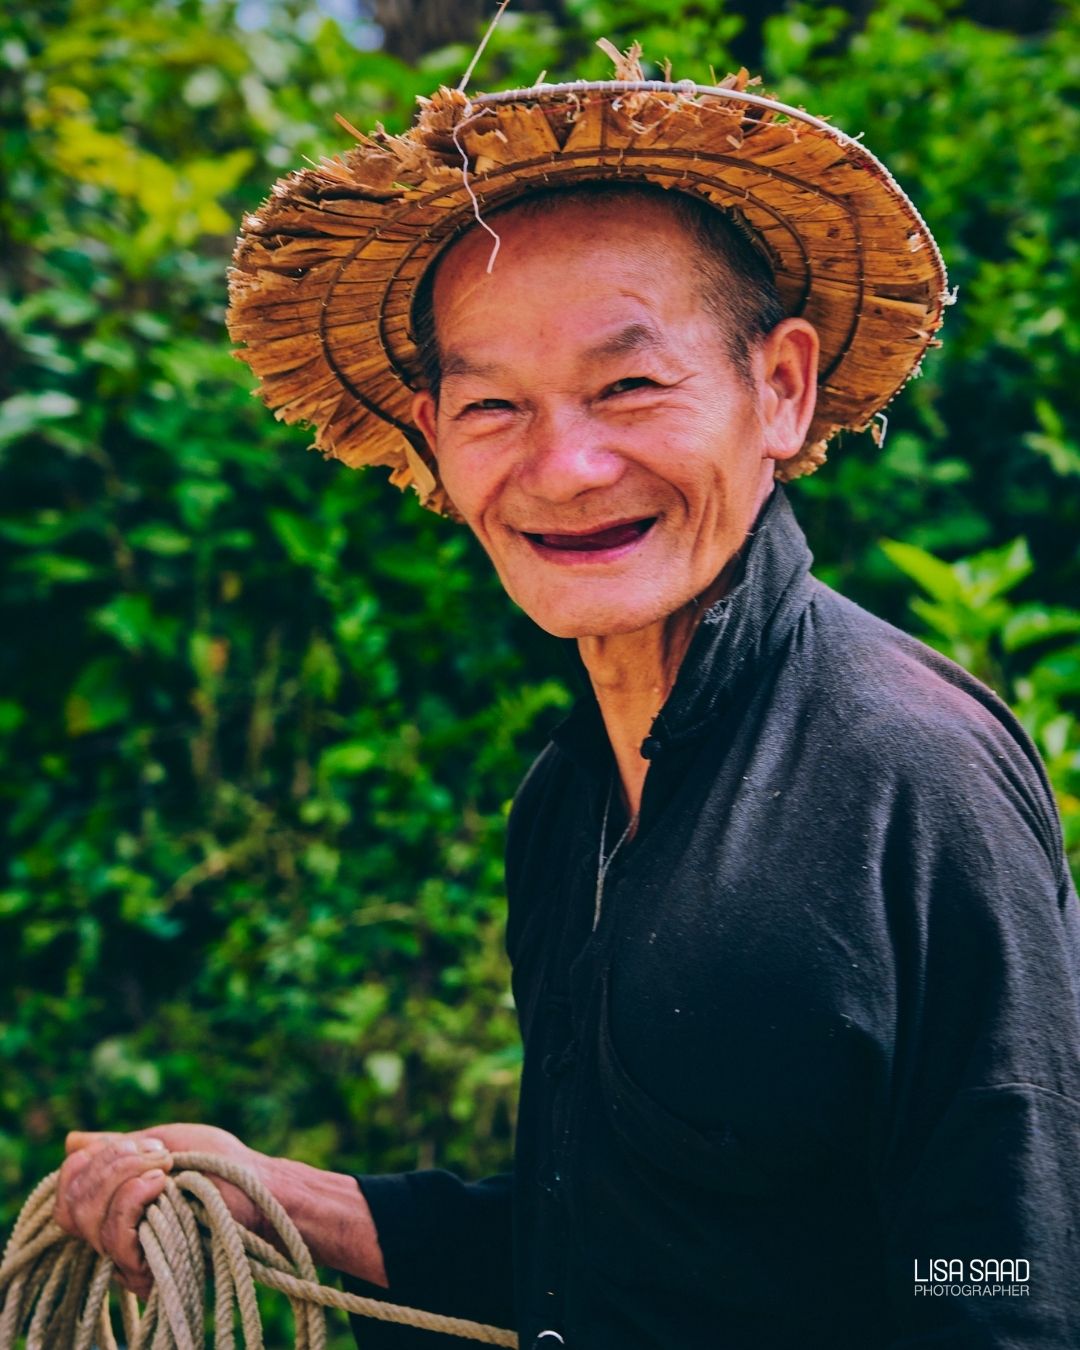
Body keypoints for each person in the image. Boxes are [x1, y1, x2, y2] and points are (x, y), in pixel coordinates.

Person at [54, 52, 1080, 1349]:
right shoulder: (566, 804)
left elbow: (1003, 1285)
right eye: (494, 406)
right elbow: (586, 1256)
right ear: (432, 433)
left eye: (630, 385)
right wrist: (257, 1189)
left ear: (782, 387)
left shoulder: (913, 773)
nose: (565, 464)